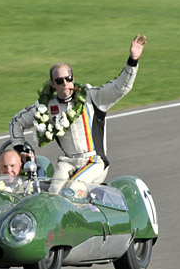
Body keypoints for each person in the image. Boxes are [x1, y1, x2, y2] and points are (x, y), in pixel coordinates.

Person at [9, 34, 146, 193]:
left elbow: (120, 87)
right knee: (54, 193)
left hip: (95, 161)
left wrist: (133, 60)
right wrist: (20, 150)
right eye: (59, 81)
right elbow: (16, 122)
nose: (65, 83)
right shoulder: (45, 106)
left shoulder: (92, 97)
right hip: (67, 162)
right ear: (53, 84)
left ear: (73, 78)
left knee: (73, 188)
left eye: (68, 78)